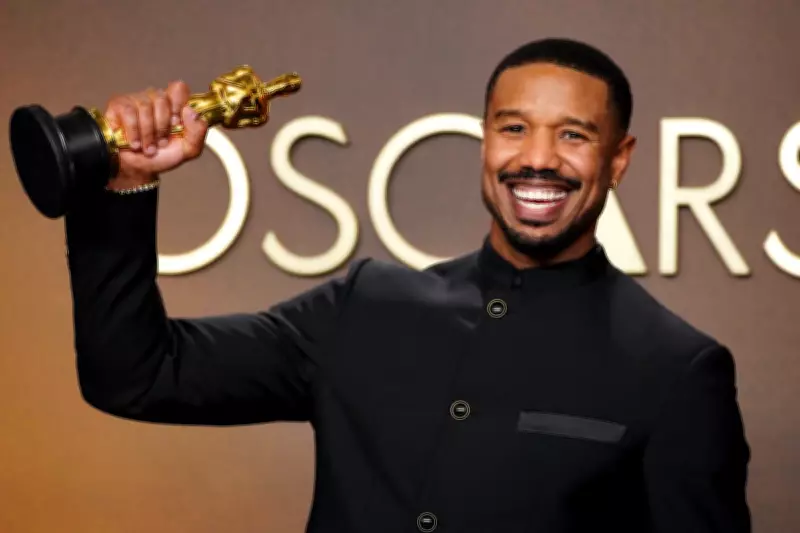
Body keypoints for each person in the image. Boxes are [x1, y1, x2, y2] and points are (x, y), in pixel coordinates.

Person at [64, 38, 751, 532]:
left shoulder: (676, 369)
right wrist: (126, 184)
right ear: (485, 140)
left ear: (619, 159)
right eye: (514, 128)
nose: (538, 159)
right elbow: (136, 375)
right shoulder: (365, 306)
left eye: (574, 135)